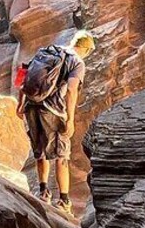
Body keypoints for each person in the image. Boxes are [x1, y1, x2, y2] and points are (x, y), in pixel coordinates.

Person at [17, 30, 96, 215]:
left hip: (31, 106)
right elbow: (71, 89)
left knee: (39, 150)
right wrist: (69, 118)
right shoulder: (77, 61)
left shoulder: (48, 52)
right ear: (85, 49)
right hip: (53, 111)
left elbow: (24, 73)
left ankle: (44, 192)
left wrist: (20, 103)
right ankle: (64, 200)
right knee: (62, 154)